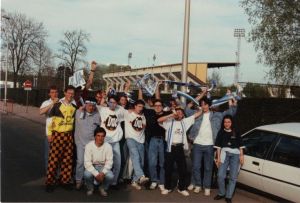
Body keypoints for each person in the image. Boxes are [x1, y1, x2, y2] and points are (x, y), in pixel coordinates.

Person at [185, 95, 237, 196]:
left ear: (209, 105)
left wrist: (232, 101)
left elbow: (231, 112)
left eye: (205, 104)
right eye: (202, 105)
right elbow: (187, 109)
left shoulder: (217, 115)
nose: (204, 106)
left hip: (209, 145)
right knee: (196, 166)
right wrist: (196, 99)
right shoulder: (197, 114)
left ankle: (207, 187)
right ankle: (198, 185)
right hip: (197, 144)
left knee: (208, 168)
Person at [157, 107, 202, 196]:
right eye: (177, 112)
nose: (178, 114)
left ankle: (181, 188)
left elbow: (197, 114)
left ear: (183, 115)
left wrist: (200, 108)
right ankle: (167, 187)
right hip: (170, 148)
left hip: (180, 148)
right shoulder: (169, 121)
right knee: (168, 168)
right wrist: (171, 115)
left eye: (180, 113)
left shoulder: (185, 122)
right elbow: (159, 120)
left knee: (183, 169)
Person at [45, 85, 77, 192]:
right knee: (53, 160)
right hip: (58, 135)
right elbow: (50, 120)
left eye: (72, 94)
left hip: (69, 136)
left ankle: (65, 181)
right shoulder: (57, 105)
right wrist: (49, 134)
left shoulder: (74, 107)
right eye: (69, 93)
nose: (70, 95)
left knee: (67, 160)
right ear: (65, 93)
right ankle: (49, 182)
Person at [214, 115, 244, 203]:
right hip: (224, 154)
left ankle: (228, 196)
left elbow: (241, 144)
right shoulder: (221, 132)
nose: (227, 124)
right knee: (220, 175)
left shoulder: (236, 131)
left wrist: (241, 156)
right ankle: (221, 193)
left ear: (232, 123)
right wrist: (218, 158)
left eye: (229, 122)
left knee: (233, 177)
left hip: (235, 155)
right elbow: (218, 147)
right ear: (223, 123)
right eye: (225, 122)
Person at [98, 95, 125, 189]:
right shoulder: (103, 110)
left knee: (118, 162)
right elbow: (94, 105)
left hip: (116, 141)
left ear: (117, 103)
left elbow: (130, 112)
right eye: (110, 102)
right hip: (105, 141)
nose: (112, 104)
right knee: (103, 162)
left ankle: (114, 182)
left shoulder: (120, 110)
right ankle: (101, 181)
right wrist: (104, 96)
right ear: (108, 102)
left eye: (114, 102)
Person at [74, 97, 101, 190]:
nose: (91, 107)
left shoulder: (97, 115)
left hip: (91, 144)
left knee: (89, 163)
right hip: (80, 143)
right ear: (85, 105)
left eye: (93, 106)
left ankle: (87, 181)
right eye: (89, 105)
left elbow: (98, 127)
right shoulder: (78, 112)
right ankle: (78, 180)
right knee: (80, 162)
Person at [146, 99, 171, 191]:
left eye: (159, 105)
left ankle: (162, 182)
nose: (157, 107)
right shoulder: (150, 114)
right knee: (152, 163)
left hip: (163, 141)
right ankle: (154, 180)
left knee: (162, 163)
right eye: (155, 105)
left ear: (162, 106)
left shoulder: (167, 114)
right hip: (153, 140)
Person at [124, 100, 149, 190]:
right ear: (134, 106)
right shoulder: (128, 114)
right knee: (135, 156)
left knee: (141, 161)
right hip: (130, 139)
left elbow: (143, 128)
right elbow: (118, 108)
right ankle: (141, 176)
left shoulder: (143, 116)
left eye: (142, 107)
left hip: (141, 141)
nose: (140, 108)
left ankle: (134, 180)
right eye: (139, 106)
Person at [84, 127, 114, 197]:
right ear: (95, 136)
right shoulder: (89, 146)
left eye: (102, 136)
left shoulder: (108, 146)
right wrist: (96, 174)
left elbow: (110, 162)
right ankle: (90, 188)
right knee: (86, 174)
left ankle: (103, 188)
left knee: (110, 176)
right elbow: (87, 162)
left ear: (104, 137)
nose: (100, 138)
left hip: (103, 166)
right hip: (93, 165)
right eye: (98, 136)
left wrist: (103, 173)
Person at [39, 85, 59, 172]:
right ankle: (49, 173)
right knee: (48, 154)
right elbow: (41, 112)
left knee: (58, 154)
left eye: (56, 92)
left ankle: (58, 173)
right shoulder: (46, 102)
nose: (54, 94)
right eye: (52, 92)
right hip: (50, 132)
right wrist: (52, 103)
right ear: (49, 94)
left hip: (60, 131)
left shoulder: (61, 101)